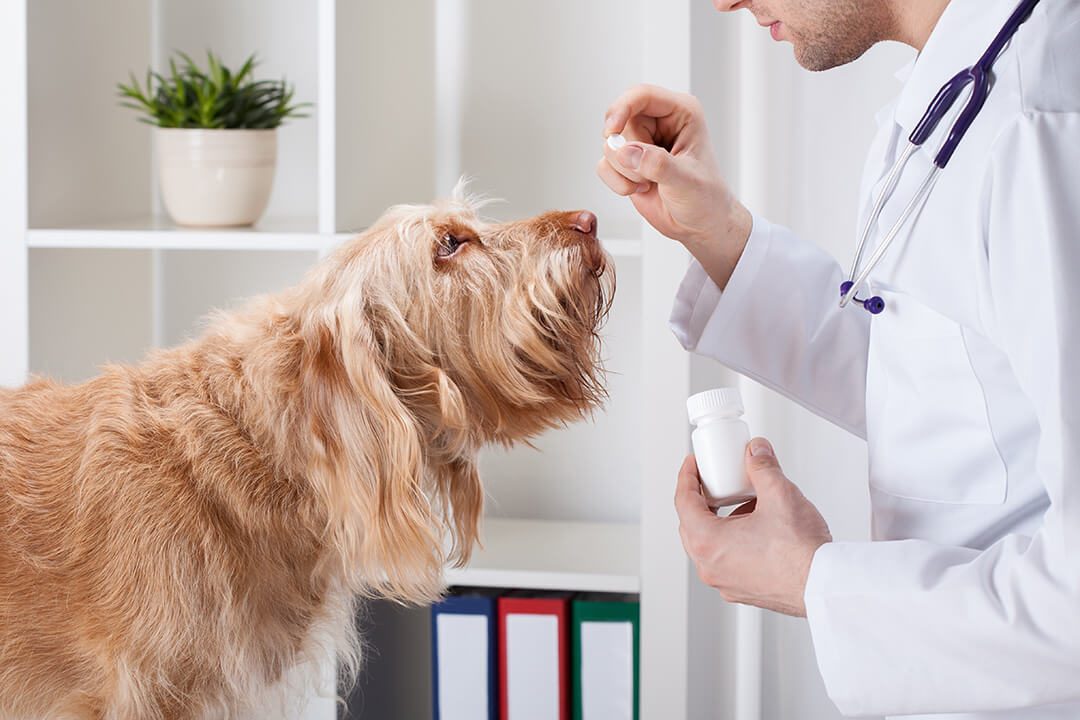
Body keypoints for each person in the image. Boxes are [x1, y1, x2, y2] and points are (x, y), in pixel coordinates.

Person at [598, 0, 1080, 717]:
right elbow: (952, 388)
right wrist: (720, 231)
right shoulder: (962, 89)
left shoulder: (1042, 124)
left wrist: (811, 580)